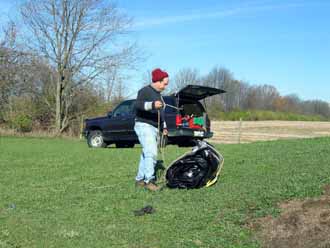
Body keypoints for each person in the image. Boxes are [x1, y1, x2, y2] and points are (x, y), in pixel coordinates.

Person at [134, 68, 169, 191]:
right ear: (158, 81)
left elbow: (161, 112)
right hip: (143, 125)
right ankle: (150, 181)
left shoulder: (159, 95)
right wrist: (152, 105)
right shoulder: (144, 91)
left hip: (154, 127)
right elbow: (137, 105)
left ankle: (139, 179)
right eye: (164, 84)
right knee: (151, 152)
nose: (165, 87)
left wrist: (164, 126)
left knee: (146, 154)